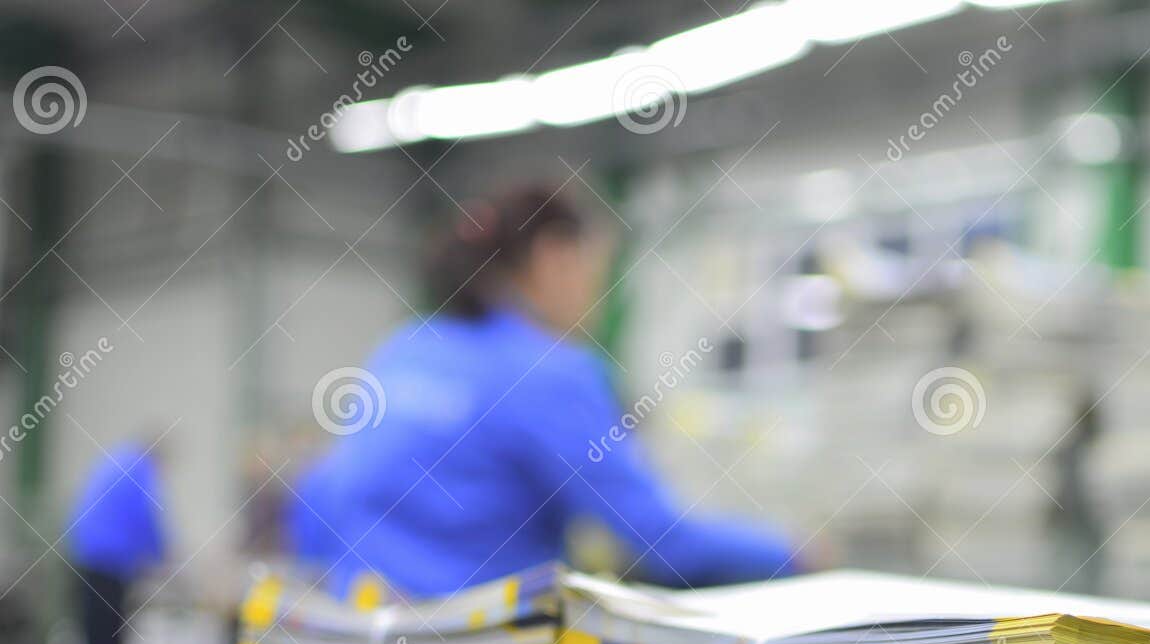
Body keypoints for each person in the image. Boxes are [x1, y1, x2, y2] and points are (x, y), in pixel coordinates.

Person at [309, 184, 800, 598]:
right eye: (596, 273)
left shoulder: (403, 347)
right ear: (552, 258)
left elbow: (319, 504)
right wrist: (794, 552)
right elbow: (662, 540)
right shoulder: (548, 371)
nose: (596, 299)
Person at [64, 440, 168, 644]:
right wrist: (164, 558)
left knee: (93, 635)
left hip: (83, 555)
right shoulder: (141, 469)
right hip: (108, 563)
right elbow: (149, 519)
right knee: (108, 640)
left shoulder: (116, 461)